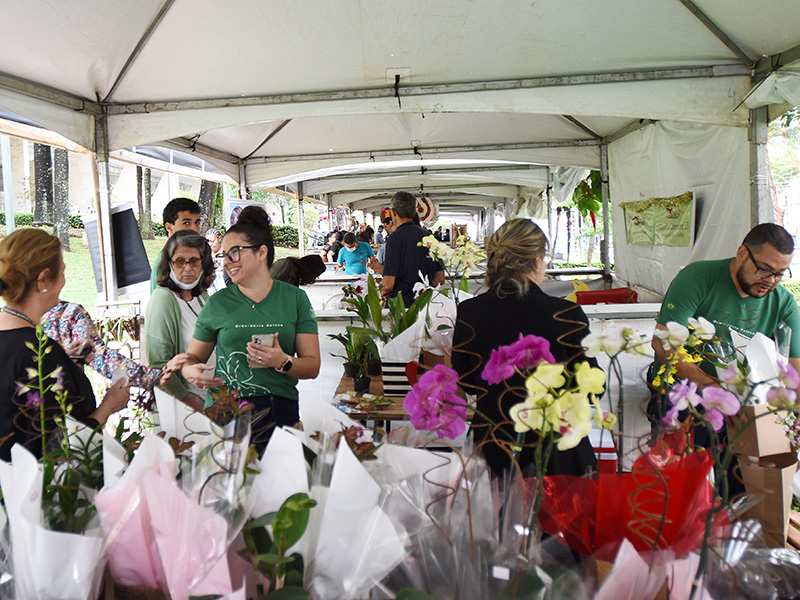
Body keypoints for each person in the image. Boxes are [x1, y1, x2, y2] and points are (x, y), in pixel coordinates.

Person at [0, 228, 184, 460]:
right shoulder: (40, 354)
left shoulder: (36, 350)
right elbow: (60, 448)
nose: (64, 281)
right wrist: (107, 407)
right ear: (44, 279)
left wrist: (67, 362)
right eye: (63, 272)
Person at [452, 219, 598, 477]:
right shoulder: (566, 313)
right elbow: (590, 388)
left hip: (492, 444)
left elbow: (466, 380)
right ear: (538, 259)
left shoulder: (470, 312)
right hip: (555, 450)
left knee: (493, 517)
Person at [180, 206, 321, 450]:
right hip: (226, 410)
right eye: (223, 255)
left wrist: (283, 361)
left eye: (234, 253)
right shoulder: (217, 303)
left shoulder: (295, 299)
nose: (226, 262)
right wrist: (189, 371)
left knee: (278, 484)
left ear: (261, 252)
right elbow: (192, 359)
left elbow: (313, 366)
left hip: (278, 410)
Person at [652, 223, 800, 385]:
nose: (771, 281)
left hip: (747, 395)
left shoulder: (784, 303)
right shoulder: (697, 278)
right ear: (742, 254)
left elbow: (795, 367)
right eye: (764, 269)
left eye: (779, 274)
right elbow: (663, 342)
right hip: (683, 389)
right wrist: (713, 390)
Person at [146, 231, 217, 411]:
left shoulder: (202, 296)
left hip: (211, 401)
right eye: (179, 261)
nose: (187, 268)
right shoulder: (163, 299)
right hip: (183, 407)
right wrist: (191, 403)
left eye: (194, 261)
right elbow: (158, 364)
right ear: (169, 264)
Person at [43, 300, 162, 395]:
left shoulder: (68, 314)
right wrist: (151, 377)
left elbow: (97, 355)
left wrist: (151, 377)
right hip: (68, 410)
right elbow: (98, 356)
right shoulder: (69, 314)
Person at [381, 191, 445, 306]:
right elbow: (440, 278)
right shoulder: (430, 238)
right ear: (415, 212)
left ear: (393, 212)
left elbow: (387, 284)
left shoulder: (395, 238)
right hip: (427, 305)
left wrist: (381, 293)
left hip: (402, 308)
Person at [150, 197, 202, 292]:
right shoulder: (165, 261)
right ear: (169, 227)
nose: (195, 229)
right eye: (186, 223)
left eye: (197, 223)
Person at [205, 227, 228, 293]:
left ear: (219, 239)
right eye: (208, 242)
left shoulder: (226, 254)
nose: (210, 244)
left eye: (212, 241)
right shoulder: (206, 256)